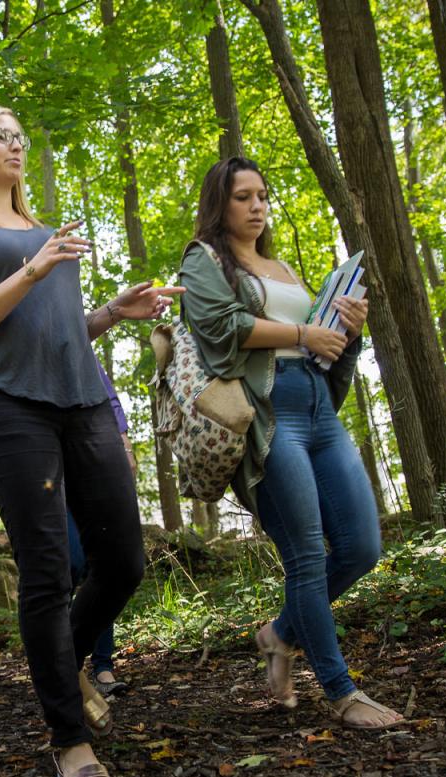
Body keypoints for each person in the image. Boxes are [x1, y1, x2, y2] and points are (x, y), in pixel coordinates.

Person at [0, 104, 182, 777]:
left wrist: (111, 313)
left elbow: (59, 329)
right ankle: (70, 739)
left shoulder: (43, 231)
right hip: (7, 408)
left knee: (124, 559)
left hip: (83, 401)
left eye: (20, 135)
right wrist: (32, 270)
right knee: (44, 571)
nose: (15, 145)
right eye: (0, 135)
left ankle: (60, 665)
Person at [179, 156, 403, 729]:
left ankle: (278, 633)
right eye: (242, 197)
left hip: (319, 409)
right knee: (305, 555)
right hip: (268, 416)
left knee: (360, 547)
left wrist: (347, 332)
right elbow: (222, 330)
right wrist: (304, 330)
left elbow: (324, 354)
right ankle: (342, 692)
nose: (257, 206)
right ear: (219, 204)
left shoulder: (281, 266)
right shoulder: (203, 260)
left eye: (262, 196)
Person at [66, 360, 135, 696]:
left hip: (90, 461)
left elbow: (109, 397)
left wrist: (124, 445)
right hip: (45, 470)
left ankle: (103, 666)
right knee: (70, 562)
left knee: (105, 564)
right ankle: (64, 663)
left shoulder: (77, 343)